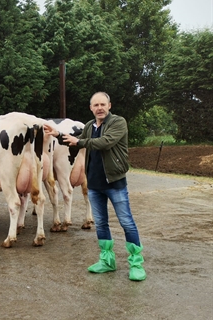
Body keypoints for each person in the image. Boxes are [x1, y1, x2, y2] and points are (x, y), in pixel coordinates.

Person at [43, 92, 146, 281]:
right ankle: (107, 261)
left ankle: (136, 263)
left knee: (126, 222)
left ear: (109, 106)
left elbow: (105, 142)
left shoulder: (118, 123)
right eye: (95, 105)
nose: (99, 108)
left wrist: (80, 141)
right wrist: (57, 133)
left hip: (114, 182)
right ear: (91, 108)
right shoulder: (90, 126)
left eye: (102, 104)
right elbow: (74, 141)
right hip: (95, 184)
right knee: (101, 223)